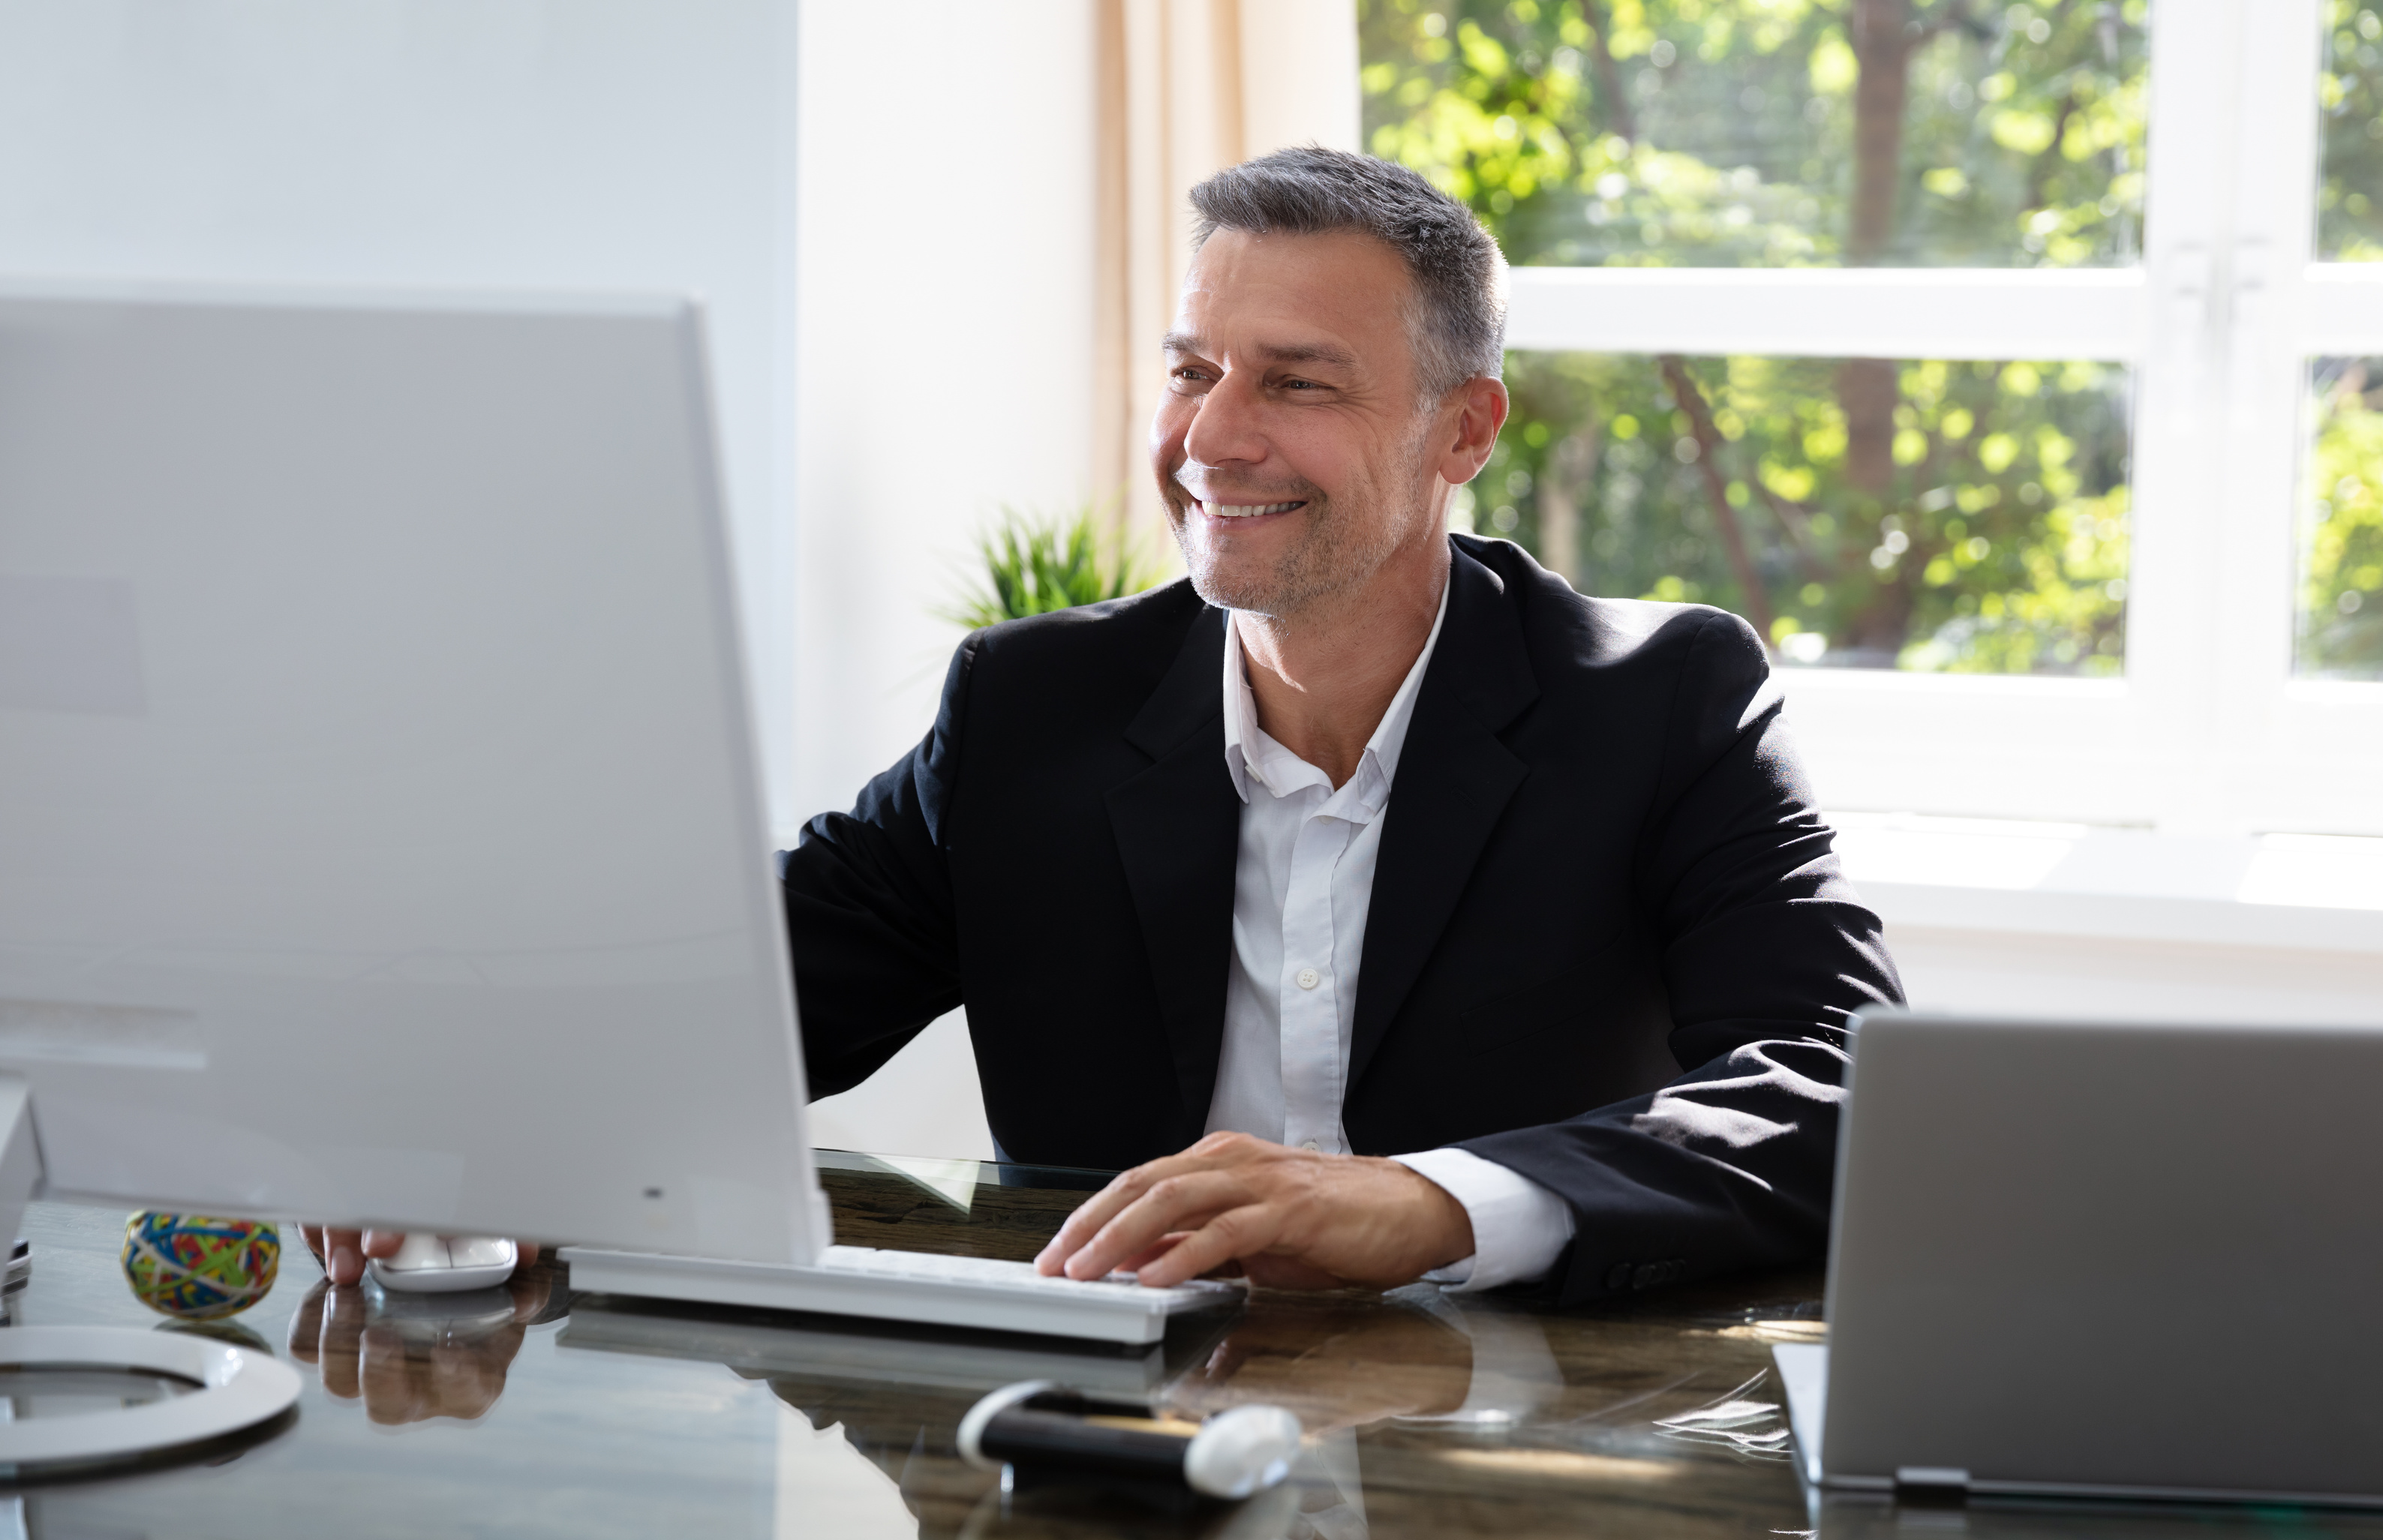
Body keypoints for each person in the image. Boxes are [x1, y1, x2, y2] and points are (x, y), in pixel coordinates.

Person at [311, 147, 1898, 1301]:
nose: (1212, 436)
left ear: (1459, 429)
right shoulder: (1028, 708)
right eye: (1192, 369)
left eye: (1295, 382)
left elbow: (1840, 1087)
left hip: (1520, 1434)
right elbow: (741, 995)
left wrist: (1433, 1202)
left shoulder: (1663, 695)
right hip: (1093, 1432)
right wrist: (481, 1136)